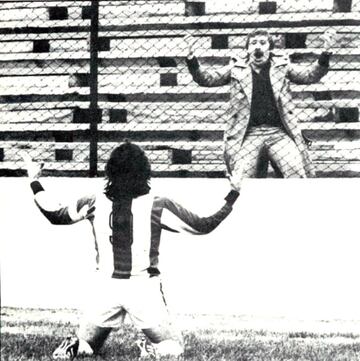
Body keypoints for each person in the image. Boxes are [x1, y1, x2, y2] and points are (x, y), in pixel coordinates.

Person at [23, 141, 240, 360]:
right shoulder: (158, 205)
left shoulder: (93, 202)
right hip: (142, 289)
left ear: (110, 172)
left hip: (106, 288)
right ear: (145, 172)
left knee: (87, 347)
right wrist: (233, 193)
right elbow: (203, 225)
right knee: (174, 348)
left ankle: (72, 346)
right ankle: (151, 351)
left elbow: (55, 215)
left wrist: (34, 180)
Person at [185, 29, 335, 180]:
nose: (258, 47)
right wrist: (191, 58)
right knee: (241, 177)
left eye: (263, 43)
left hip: (279, 133)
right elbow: (207, 79)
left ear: (269, 49)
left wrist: (325, 53)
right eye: (253, 43)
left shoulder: (282, 66)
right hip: (249, 133)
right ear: (248, 49)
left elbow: (309, 75)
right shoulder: (237, 68)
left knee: (295, 170)